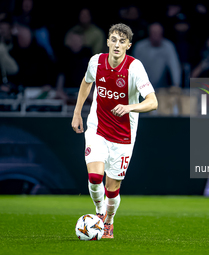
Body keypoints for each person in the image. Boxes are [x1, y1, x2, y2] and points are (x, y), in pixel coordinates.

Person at [71, 23, 158, 239]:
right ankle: (100, 214)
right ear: (108, 41)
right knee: (94, 176)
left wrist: (130, 106)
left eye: (122, 41)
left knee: (112, 188)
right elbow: (86, 83)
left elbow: (153, 102)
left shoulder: (134, 68)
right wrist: (77, 112)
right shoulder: (96, 62)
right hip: (97, 128)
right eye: (114, 40)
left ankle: (109, 220)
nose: (117, 45)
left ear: (128, 45)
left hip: (123, 136)